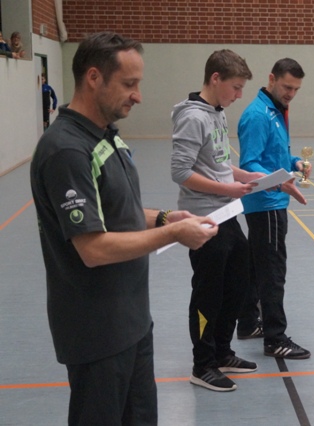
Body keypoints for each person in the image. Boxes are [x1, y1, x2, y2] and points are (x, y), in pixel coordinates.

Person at [30, 32, 219, 425]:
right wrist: (173, 235)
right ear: (94, 77)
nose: (138, 96)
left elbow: (118, 213)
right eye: (129, 84)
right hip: (97, 332)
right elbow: (93, 248)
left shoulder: (106, 137)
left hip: (131, 322)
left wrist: (166, 218)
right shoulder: (67, 150)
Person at [170, 49, 265, 392]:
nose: (239, 95)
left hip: (226, 213)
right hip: (203, 216)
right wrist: (228, 188)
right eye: (235, 87)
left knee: (237, 283)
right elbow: (181, 172)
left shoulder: (217, 113)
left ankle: (223, 352)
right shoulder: (192, 118)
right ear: (215, 79)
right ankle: (203, 364)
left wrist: (247, 177)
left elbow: (219, 165)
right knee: (208, 291)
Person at [237, 58, 311, 359]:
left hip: (272, 201)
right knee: (272, 271)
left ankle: (247, 323)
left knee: (257, 266)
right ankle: (275, 338)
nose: (291, 93)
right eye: (286, 87)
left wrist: (295, 163)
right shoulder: (258, 115)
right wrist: (280, 182)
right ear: (271, 79)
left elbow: (275, 155)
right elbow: (249, 164)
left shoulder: (276, 111)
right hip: (266, 204)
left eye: (296, 89)